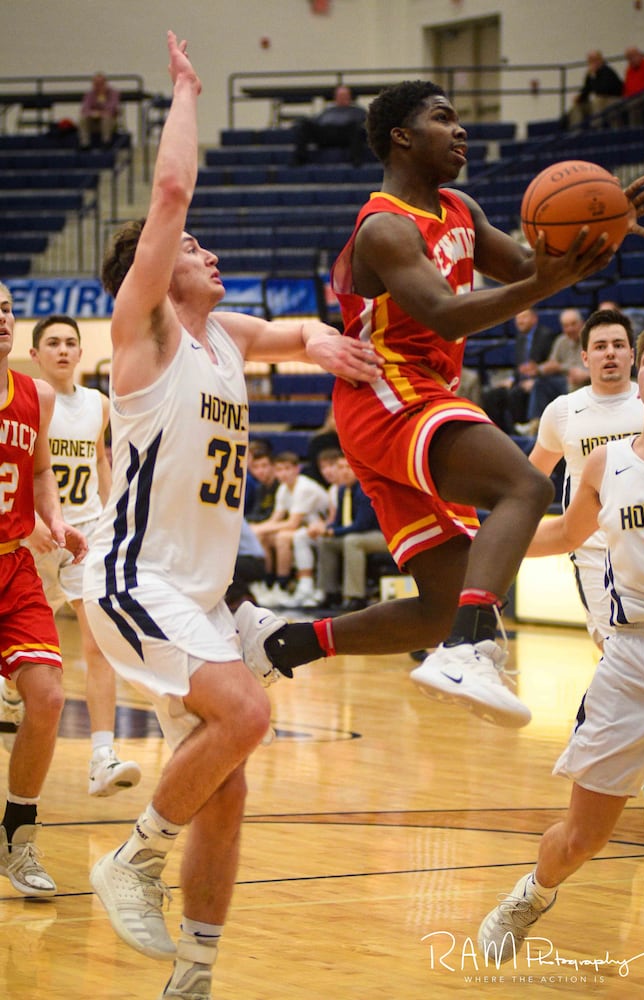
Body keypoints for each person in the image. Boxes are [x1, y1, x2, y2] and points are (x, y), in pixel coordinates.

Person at [82, 33, 382, 1000]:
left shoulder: (221, 338)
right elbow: (169, 198)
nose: (209, 256)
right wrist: (183, 91)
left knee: (230, 776)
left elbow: (288, 332)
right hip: (136, 579)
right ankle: (131, 860)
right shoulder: (149, 329)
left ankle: (196, 975)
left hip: (201, 598)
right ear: (159, 271)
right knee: (247, 712)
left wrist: (327, 344)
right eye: (198, 251)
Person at [235, 80, 644, 729]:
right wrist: (543, 281)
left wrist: (595, 233)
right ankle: (469, 646)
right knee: (522, 483)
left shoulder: (459, 207)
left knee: (439, 599)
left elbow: (526, 264)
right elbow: (441, 314)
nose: (460, 131)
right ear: (401, 137)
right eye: (443, 119)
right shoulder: (383, 226)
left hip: (413, 397)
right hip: (387, 391)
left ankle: (286, 644)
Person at [477, 323, 644, 962]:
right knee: (583, 837)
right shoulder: (605, 462)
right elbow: (559, 536)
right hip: (634, 655)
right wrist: (480, 550)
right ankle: (532, 894)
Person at [528, 307, 644, 834]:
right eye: (600, 346)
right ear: (582, 357)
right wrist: (499, 530)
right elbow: (533, 477)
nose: (610, 353)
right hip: (594, 550)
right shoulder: (564, 413)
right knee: (621, 655)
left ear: (631, 355)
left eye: (618, 345)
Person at [24, 313, 141, 797]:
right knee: (24, 652)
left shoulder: (98, 403)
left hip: (84, 536)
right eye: (52, 343)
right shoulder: (24, 400)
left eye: (71, 342)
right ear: (35, 354)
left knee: (100, 644)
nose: (64, 350)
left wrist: (114, 519)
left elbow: (100, 460)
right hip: (33, 535)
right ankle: (12, 700)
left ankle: (101, 754)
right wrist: (33, 524)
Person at [0, 282, 87, 897]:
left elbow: (37, 473)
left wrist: (53, 520)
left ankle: (17, 836)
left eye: (5, 308)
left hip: (14, 567)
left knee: (49, 697)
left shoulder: (36, 395)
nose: (2, 319)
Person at [310, 453, 389, 612]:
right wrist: (327, 530)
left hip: (384, 536)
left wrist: (332, 532)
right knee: (326, 542)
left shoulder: (364, 489)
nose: (345, 471)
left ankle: (355, 597)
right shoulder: (342, 490)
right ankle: (330, 592)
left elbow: (362, 525)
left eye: (348, 467)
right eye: (341, 467)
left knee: (352, 541)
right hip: (361, 534)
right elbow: (339, 521)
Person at [251, 451, 330, 607]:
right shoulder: (283, 488)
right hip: (304, 528)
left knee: (282, 537)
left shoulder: (304, 487)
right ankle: (268, 584)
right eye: (279, 470)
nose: (283, 473)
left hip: (322, 528)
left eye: (287, 469)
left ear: (297, 469)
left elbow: (292, 523)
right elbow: (275, 519)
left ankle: (283, 586)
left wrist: (259, 528)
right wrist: (257, 530)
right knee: (264, 537)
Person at [481, 307, 557, 434]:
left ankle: (520, 431)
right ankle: (498, 432)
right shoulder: (520, 339)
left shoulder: (546, 335)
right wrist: (511, 379)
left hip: (540, 381)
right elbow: (520, 367)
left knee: (515, 394)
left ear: (534, 318)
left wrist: (535, 379)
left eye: (524, 317)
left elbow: (551, 363)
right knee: (492, 395)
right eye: (518, 318)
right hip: (521, 381)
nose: (520, 321)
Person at [525, 307, 590, 424]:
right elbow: (552, 364)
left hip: (585, 380)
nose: (570, 329)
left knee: (573, 383)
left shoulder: (590, 340)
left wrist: (562, 368)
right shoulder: (561, 341)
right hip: (563, 379)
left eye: (573, 324)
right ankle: (535, 423)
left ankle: (573, 423)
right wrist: (538, 369)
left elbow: (584, 369)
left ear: (582, 324)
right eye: (566, 326)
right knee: (540, 383)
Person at [292, 85, 367, 167]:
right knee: (304, 124)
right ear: (335, 97)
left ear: (350, 97)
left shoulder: (358, 111)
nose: (342, 98)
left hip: (344, 135)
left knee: (356, 128)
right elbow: (316, 121)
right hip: (326, 134)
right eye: (339, 96)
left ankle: (356, 161)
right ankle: (299, 159)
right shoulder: (328, 110)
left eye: (344, 96)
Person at [568, 50, 623, 128]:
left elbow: (603, 90)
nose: (592, 63)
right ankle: (575, 131)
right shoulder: (591, 74)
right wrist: (579, 98)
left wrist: (593, 77)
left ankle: (596, 129)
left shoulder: (607, 71)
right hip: (600, 101)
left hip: (612, 98)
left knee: (597, 101)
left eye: (595, 60)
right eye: (590, 61)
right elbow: (586, 90)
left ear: (601, 60)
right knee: (577, 107)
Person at [79, 72, 121, 149]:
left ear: (105, 83)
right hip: (94, 122)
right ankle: (85, 144)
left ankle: (106, 142)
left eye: (100, 84)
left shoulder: (113, 93)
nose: (98, 86)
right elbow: (84, 109)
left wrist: (100, 109)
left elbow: (111, 109)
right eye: (96, 84)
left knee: (106, 117)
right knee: (83, 119)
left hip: (110, 123)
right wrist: (94, 113)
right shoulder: (89, 94)